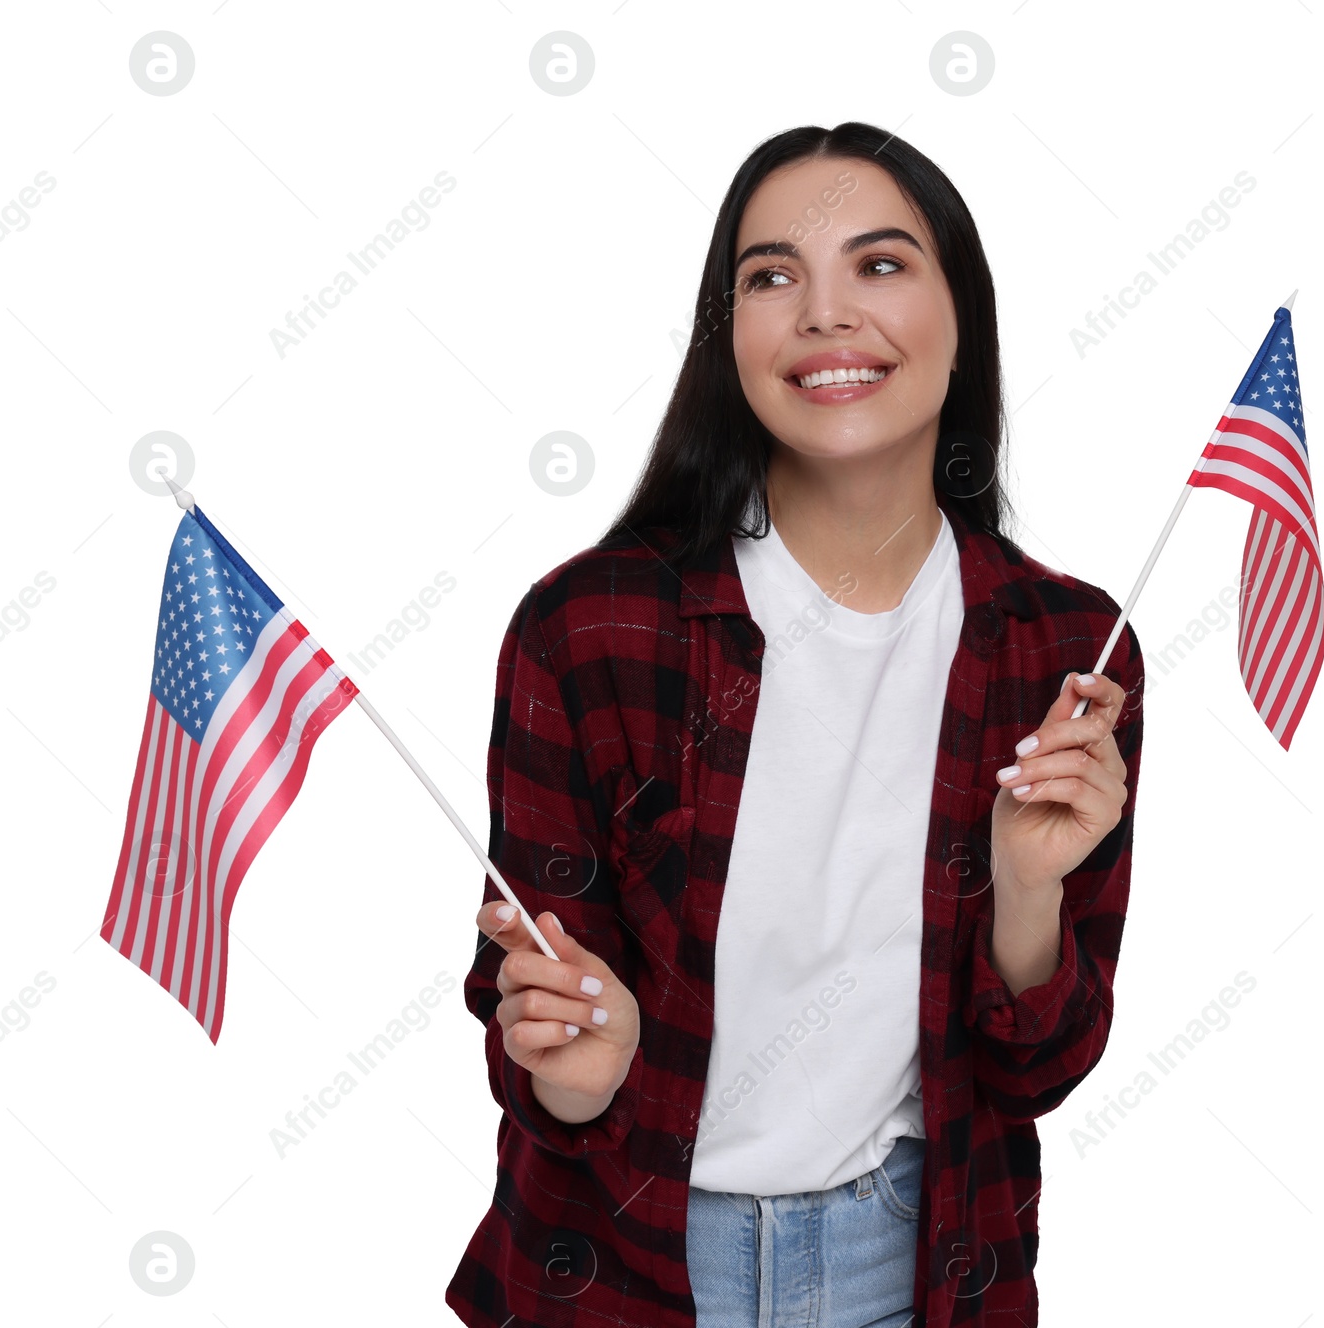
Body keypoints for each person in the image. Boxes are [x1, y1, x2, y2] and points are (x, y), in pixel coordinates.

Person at [445, 121, 1145, 1328]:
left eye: (879, 265)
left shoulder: (1063, 649)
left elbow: (1039, 1067)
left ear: (959, 310)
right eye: (773, 276)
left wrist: (1027, 889)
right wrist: (579, 1062)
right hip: (623, 1272)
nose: (825, 315)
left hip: (917, 1267)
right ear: (730, 338)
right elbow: (536, 1040)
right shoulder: (592, 629)